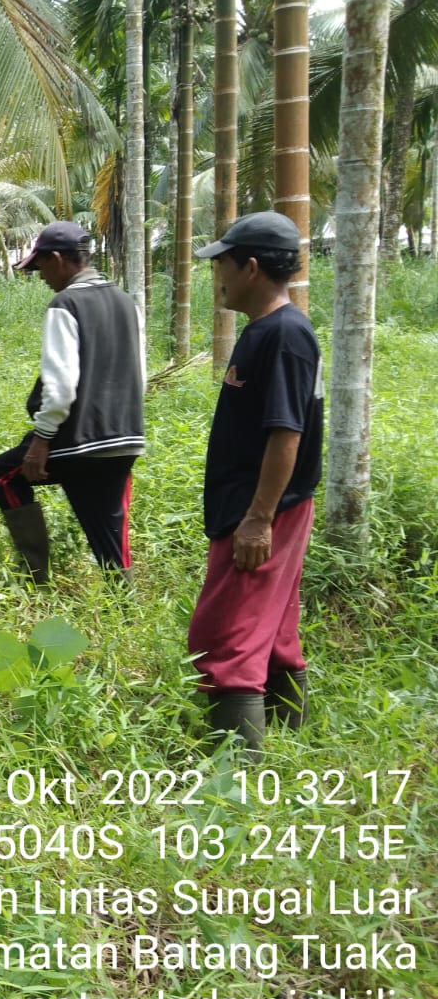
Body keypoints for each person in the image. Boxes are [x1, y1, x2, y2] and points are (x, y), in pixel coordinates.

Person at [189, 212, 322, 758]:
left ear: (250, 266)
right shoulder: (267, 330)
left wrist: (258, 518)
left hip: (261, 509)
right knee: (275, 630)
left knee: (226, 634)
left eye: (221, 263)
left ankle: (234, 780)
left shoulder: (285, 335)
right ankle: (292, 741)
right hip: (259, 505)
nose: (216, 274)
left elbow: (286, 433)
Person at [0, 221, 145, 583]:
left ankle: (35, 576)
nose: (40, 276)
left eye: (40, 266)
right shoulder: (126, 302)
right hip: (126, 439)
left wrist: (40, 442)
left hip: (77, 443)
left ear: (58, 259)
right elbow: (140, 377)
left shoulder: (65, 304)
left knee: (2, 475)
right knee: (109, 532)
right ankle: (127, 609)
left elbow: (61, 386)